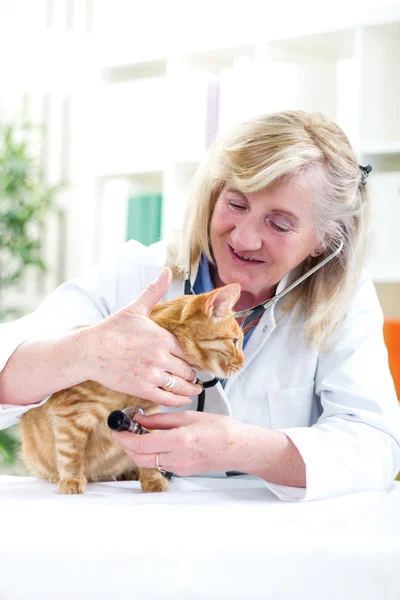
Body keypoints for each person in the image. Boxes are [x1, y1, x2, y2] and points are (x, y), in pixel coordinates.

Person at [1, 110, 399, 501]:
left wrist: (244, 447)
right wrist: (83, 353)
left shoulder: (343, 301)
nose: (244, 239)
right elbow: (8, 365)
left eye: (279, 224)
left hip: (273, 538)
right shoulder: (141, 273)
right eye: (236, 204)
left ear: (326, 240)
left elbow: (377, 446)